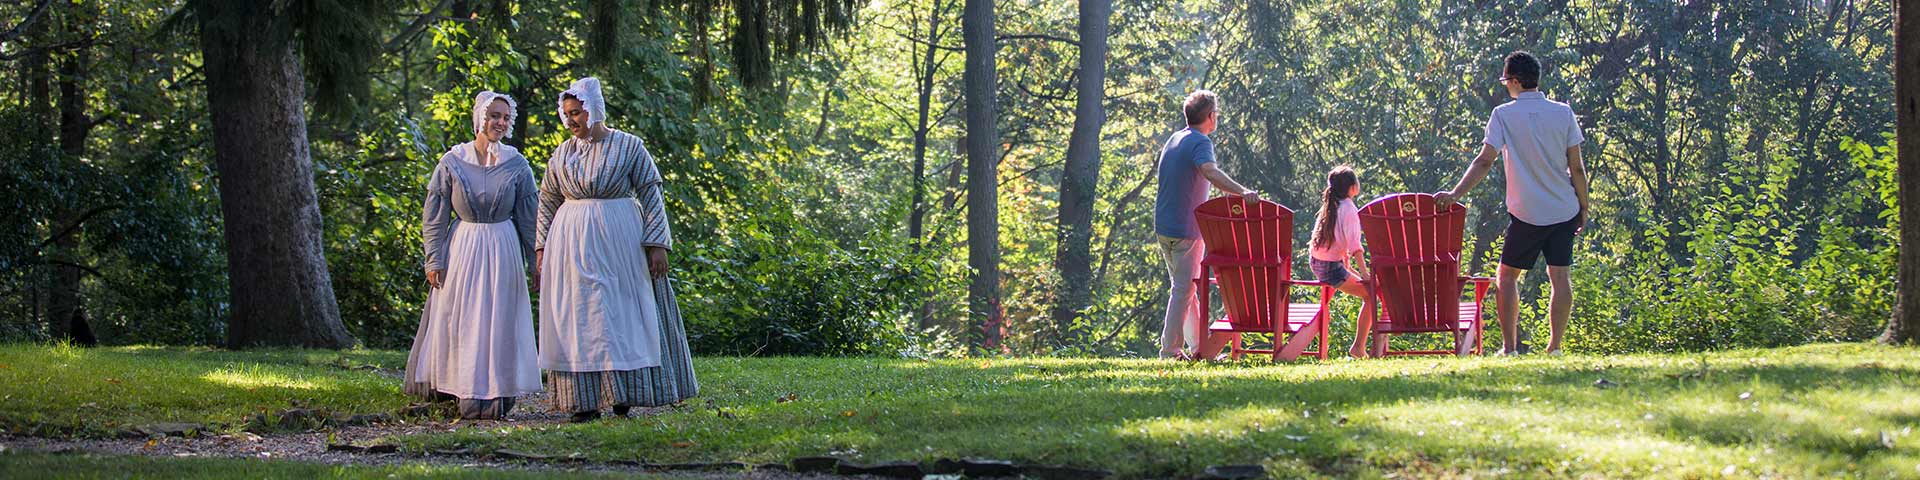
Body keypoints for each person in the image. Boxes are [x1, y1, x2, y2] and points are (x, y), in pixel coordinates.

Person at [535, 77, 698, 422]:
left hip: (620, 241)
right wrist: (541, 247)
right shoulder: (562, 153)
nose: (571, 121)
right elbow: (548, 197)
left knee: (619, 313)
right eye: (567, 114)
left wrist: (656, 243)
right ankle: (584, 401)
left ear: (594, 109)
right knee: (580, 317)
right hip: (571, 245)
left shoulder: (629, 146)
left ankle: (624, 393)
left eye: (577, 113)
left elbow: (651, 192)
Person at [1433, 51, 1590, 356]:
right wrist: (1584, 207)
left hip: (1526, 213)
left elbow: (1484, 161)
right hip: (1563, 209)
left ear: (1516, 81)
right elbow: (1578, 167)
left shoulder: (1503, 115)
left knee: (1506, 277)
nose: (1506, 86)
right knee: (1560, 277)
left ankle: (1509, 348)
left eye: (1506, 81)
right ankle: (1555, 348)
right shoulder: (1563, 113)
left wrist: (1455, 193)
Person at [404, 91, 542, 419]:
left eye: (506, 118)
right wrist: (434, 258)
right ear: (481, 117)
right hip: (464, 246)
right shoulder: (452, 161)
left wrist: (538, 260)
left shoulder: (517, 164)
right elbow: (435, 213)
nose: (501, 122)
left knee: (499, 319)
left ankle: (498, 392)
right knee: (463, 318)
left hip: (503, 246)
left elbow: (529, 216)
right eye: (495, 116)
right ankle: (462, 388)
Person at [1152, 89, 1262, 360]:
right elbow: (1210, 172)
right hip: (1186, 229)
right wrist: (1241, 192)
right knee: (1183, 289)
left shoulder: (1175, 138)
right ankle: (1170, 351)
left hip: (1164, 226)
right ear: (1211, 117)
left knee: (1186, 287)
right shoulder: (1200, 142)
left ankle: (1200, 349)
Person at [1306, 166, 1376, 358]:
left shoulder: (1331, 204)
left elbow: (1333, 238)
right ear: (1353, 188)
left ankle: (1363, 347)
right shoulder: (1349, 209)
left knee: (1370, 292)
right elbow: (1355, 245)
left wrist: (1347, 265)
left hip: (1317, 261)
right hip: (1330, 268)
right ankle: (1359, 347)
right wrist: (1364, 274)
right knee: (1371, 295)